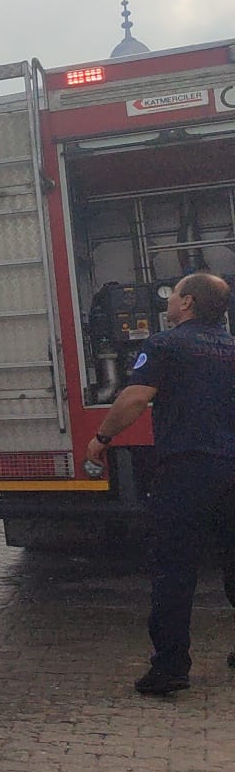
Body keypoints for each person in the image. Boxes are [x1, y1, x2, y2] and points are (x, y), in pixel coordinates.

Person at [82, 272, 235, 696]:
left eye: (174, 295)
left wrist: (102, 438)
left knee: (174, 568)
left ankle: (170, 668)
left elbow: (133, 399)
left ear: (186, 304)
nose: (168, 303)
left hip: (187, 471)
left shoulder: (166, 345)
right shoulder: (231, 348)